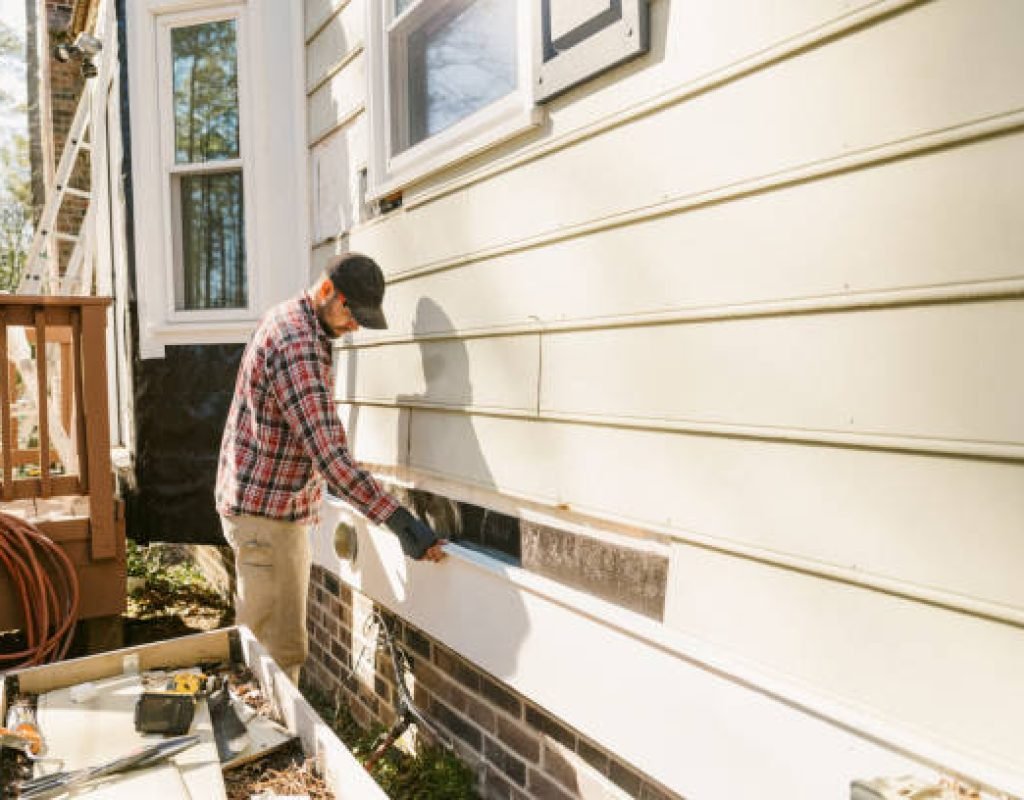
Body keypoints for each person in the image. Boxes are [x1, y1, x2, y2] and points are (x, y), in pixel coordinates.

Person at [215, 253, 445, 683]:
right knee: (275, 654)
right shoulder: (297, 346)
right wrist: (402, 523)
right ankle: (264, 727)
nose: (354, 326)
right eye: (350, 313)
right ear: (326, 291)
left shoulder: (291, 320)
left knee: (268, 647)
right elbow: (331, 458)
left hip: (261, 510)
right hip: (266, 521)